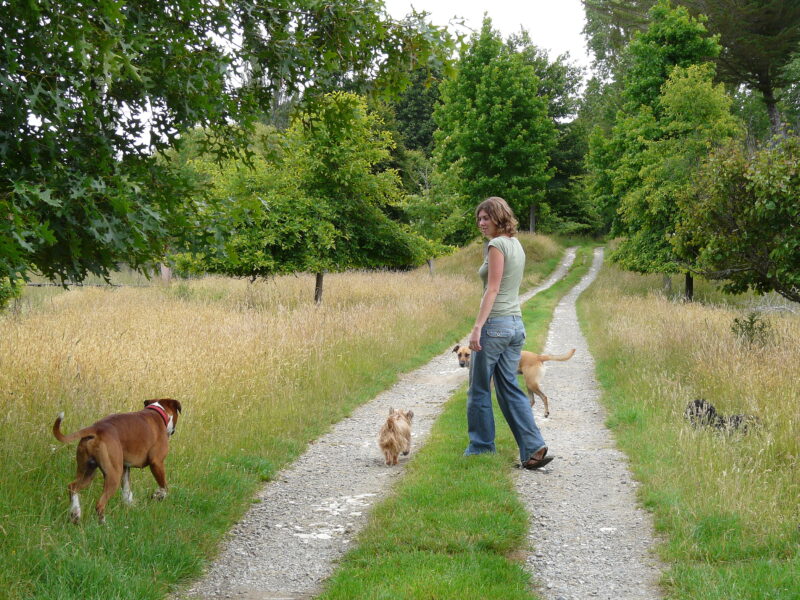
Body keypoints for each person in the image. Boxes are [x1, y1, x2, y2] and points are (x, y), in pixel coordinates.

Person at [464, 196, 553, 469]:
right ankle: (533, 447)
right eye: (479, 218)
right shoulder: (516, 244)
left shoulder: (497, 245)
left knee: (479, 388)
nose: (481, 223)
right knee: (508, 388)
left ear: (499, 218)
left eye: (486, 218)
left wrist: (478, 326)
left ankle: (480, 447)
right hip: (515, 325)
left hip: (496, 325)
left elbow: (492, 289)